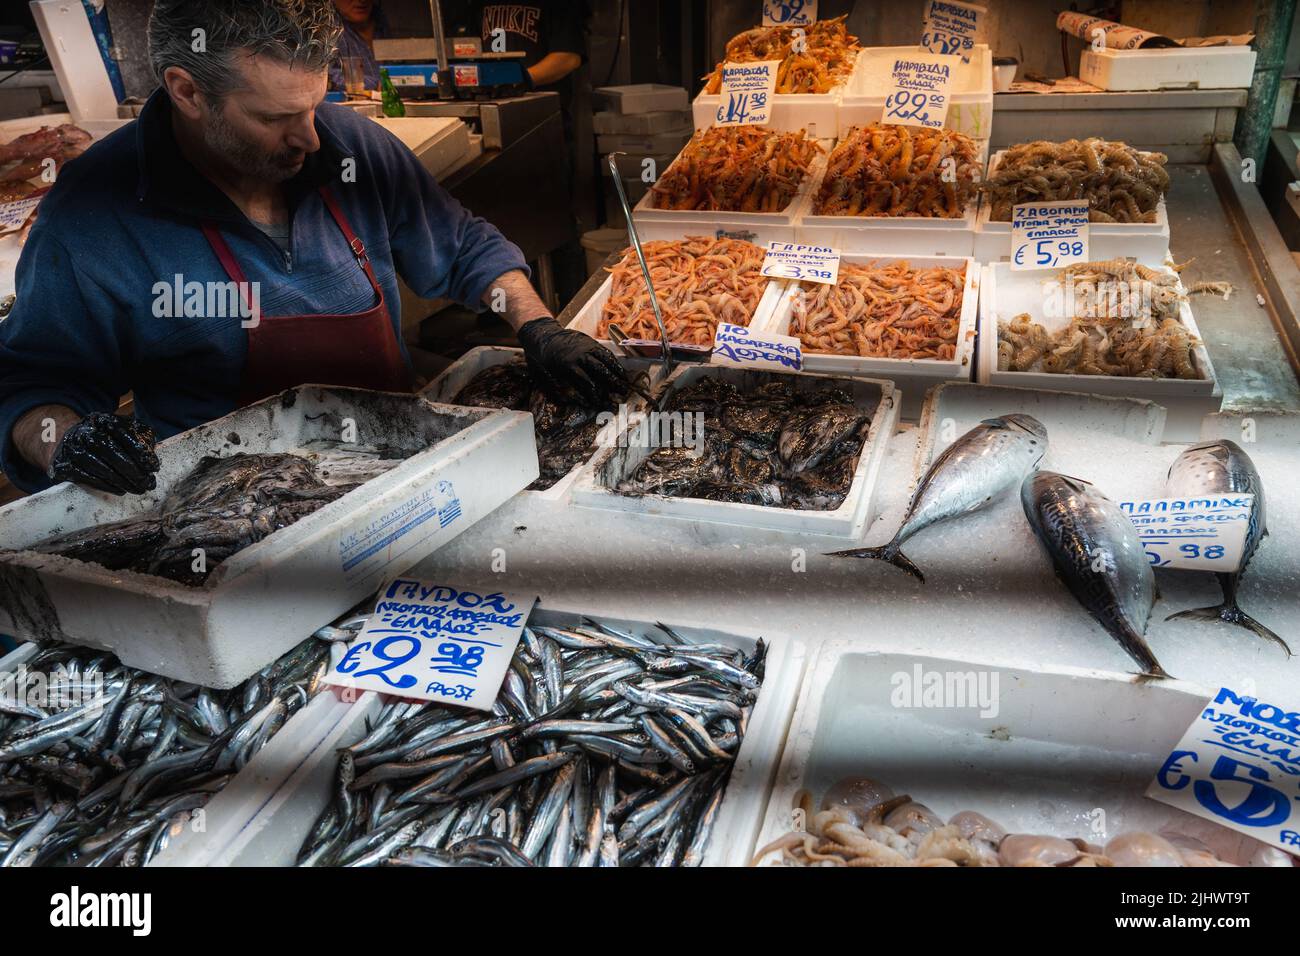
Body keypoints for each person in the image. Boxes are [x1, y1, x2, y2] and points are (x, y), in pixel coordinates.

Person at [0, 0, 627, 496]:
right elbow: (33, 388)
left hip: (401, 482)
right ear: (186, 91)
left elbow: (464, 247)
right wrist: (68, 442)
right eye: (274, 118)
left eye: (316, 103)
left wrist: (537, 324)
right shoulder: (93, 216)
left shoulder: (350, 145)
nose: (309, 137)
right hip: (227, 525)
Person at [327, 0, 386, 92]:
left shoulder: (380, 18)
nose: (362, 1)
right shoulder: (325, 27)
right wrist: (376, 84)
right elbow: (323, 75)